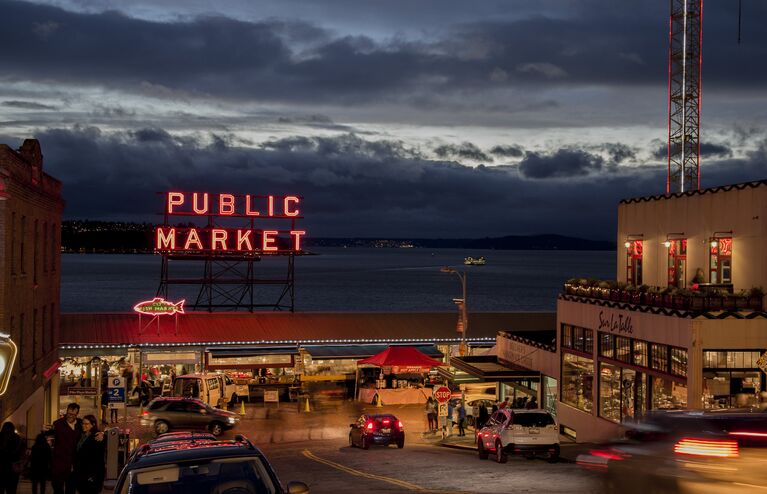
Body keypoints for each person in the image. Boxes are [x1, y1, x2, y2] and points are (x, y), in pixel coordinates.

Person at [50, 403, 83, 494]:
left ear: (77, 414)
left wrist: (102, 434)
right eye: (68, 413)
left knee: (71, 490)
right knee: (58, 489)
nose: (70, 416)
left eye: (73, 415)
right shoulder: (58, 424)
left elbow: (91, 431)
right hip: (59, 464)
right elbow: (49, 436)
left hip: (74, 465)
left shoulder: (81, 424)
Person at [72, 415, 105, 494]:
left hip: (91, 476)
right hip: (80, 474)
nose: (84, 425)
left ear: (93, 424)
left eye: (86, 424)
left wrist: (93, 476)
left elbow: (98, 459)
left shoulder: (97, 437)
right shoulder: (81, 435)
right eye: (83, 423)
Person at [0, 422, 26, 494]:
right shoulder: (18, 439)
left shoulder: (1, 437)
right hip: (13, 468)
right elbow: (22, 453)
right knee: (12, 489)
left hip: (2, 467)